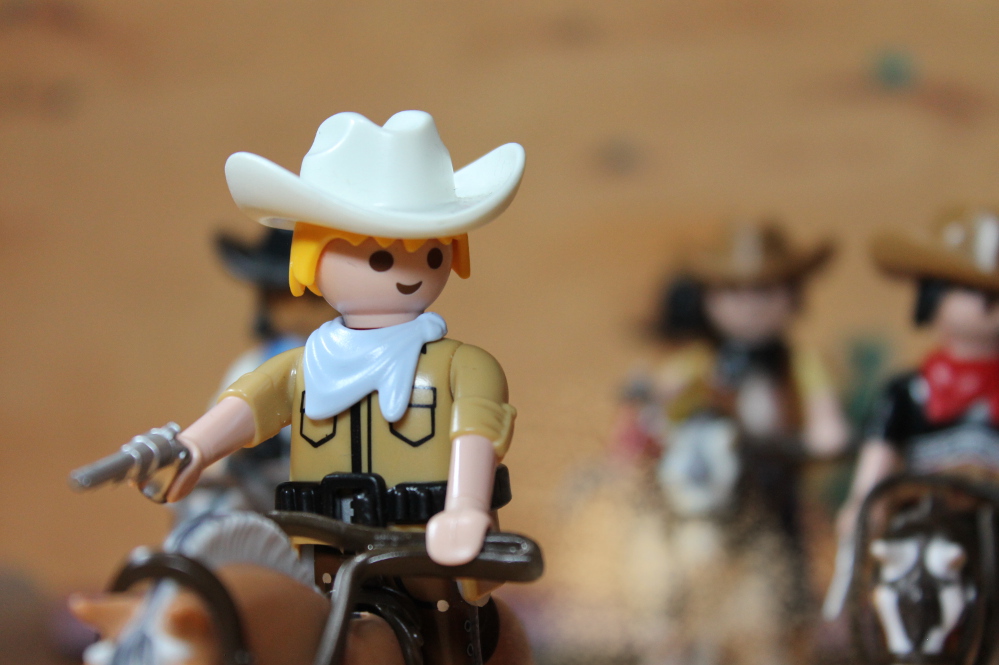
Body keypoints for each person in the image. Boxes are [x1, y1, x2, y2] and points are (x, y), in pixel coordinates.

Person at [615, 221, 849, 544]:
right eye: (733, 291)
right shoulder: (700, 363)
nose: (750, 305)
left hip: (775, 487)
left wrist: (824, 436)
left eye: (765, 290)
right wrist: (653, 399)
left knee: (789, 540)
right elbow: (665, 394)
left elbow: (826, 419)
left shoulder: (801, 364)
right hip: (706, 482)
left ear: (793, 294)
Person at [837, 207, 999, 539]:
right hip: (923, 522)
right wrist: (863, 503)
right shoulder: (909, 391)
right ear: (932, 294)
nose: (990, 305)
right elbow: (879, 457)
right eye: (974, 291)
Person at [170, 227, 334, 522]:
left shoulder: (340, 362)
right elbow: (226, 417)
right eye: (282, 297)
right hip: (263, 483)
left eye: (312, 297)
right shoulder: (254, 364)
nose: (297, 309)